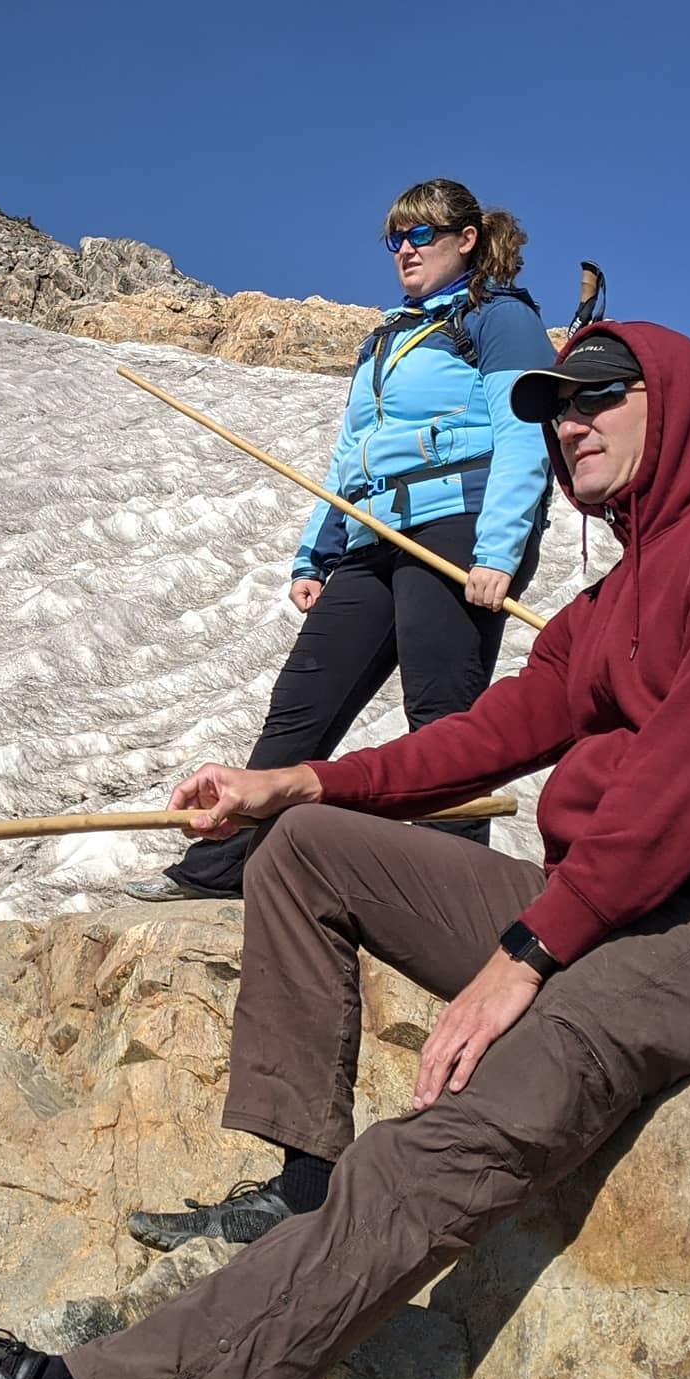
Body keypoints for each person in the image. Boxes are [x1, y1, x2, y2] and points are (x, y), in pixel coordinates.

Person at [0, 321, 690, 1379]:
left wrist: (527, 958)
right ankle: (301, 1189)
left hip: (689, 935)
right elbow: (496, 730)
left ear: (680, 398)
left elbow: (688, 786)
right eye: (549, 408)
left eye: (598, 396)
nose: (568, 423)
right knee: (308, 851)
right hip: (599, 908)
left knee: (447, 1141)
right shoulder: (623, 586)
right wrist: (300, 783)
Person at [125, 178, 555, 903]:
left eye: (419, 234)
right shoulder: (387, 337)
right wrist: (317, 554)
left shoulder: (498, 319)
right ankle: (223, 873)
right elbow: (350, 459)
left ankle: (457, 897)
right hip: (374, 535)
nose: (404, 251)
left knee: (440, 712)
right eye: (395, 238)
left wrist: (498, 552)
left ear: (467, 238)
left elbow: (525, 437)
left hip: (455, 527)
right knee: (304, 698)